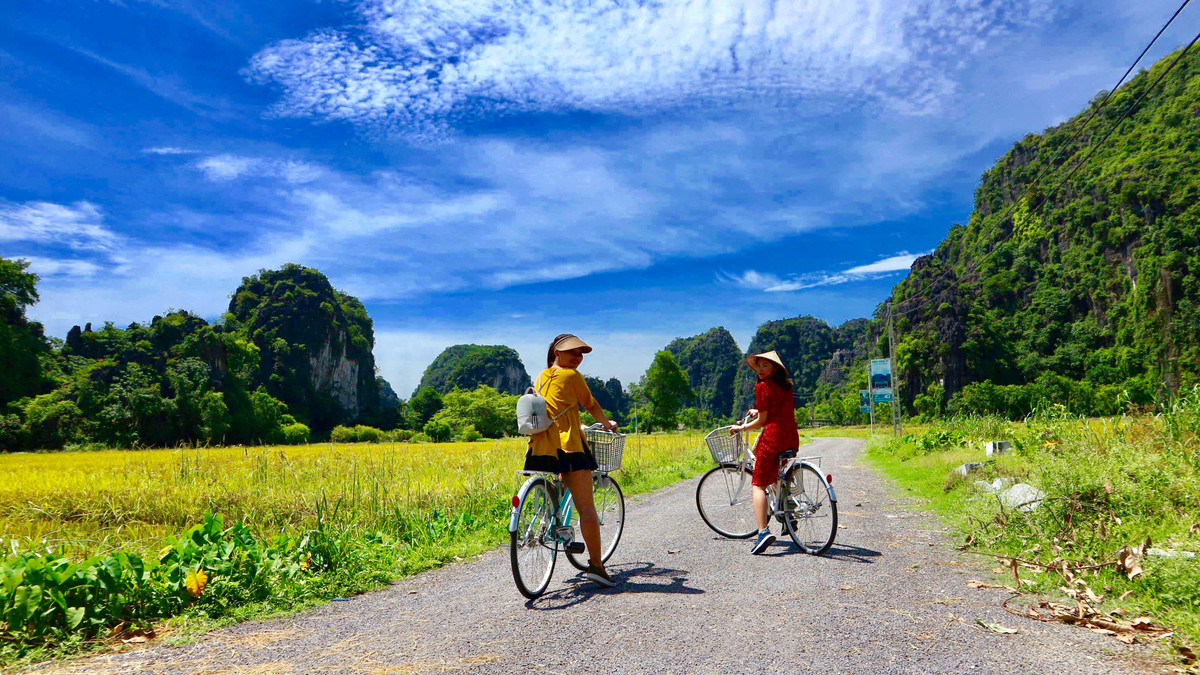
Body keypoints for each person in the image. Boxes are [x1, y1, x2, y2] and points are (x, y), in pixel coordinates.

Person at [526, 333, 621, 587]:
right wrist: (607, 424)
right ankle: (597, 567)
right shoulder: (572, 376)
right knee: (587, 509)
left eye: (580, 354)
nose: (577, 358)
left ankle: (555, 524)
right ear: (558, 353)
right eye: (572, 353)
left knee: (559, 485)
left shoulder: (542, 376)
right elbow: (590, 404)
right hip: (569, 445)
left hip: (542, 446)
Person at [729, 350, 799, 555]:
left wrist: (740, 428)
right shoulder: (786, 386)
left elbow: (762, 422)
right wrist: (757, 411)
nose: (760, 369)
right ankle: (788, 517)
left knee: (758, 484)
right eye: (758, 365)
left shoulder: (762, 387)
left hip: (774, 438)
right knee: (777, 476)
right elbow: (775, 409)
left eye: (764, 366)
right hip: (791, 436)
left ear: (774, 368)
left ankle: (762, 532)